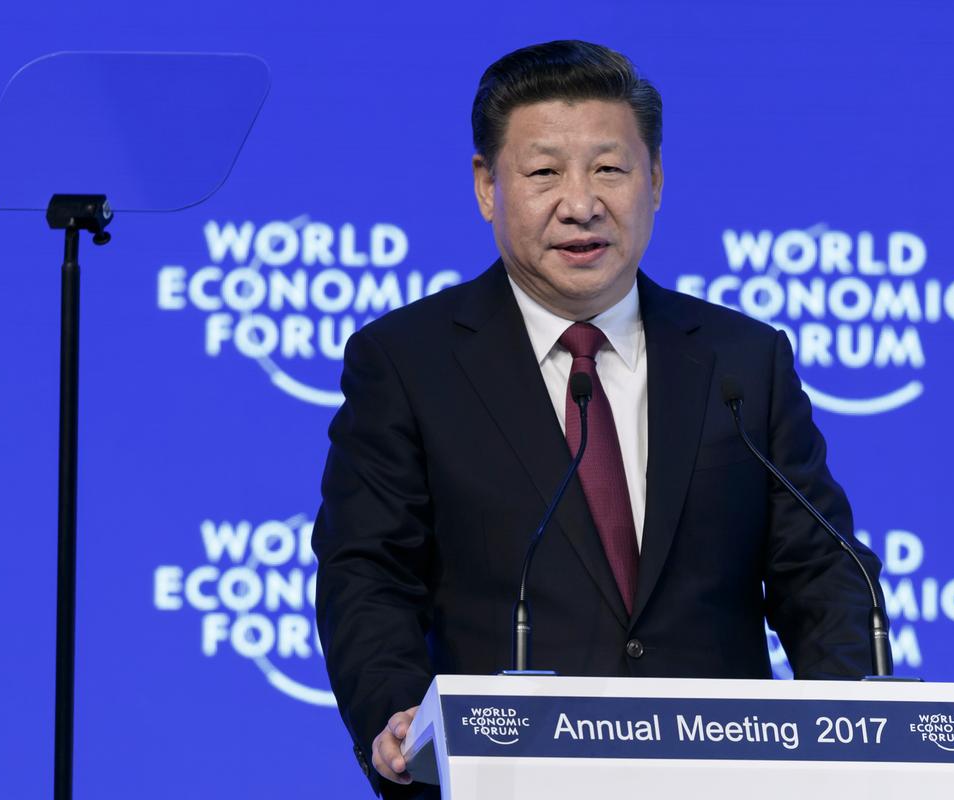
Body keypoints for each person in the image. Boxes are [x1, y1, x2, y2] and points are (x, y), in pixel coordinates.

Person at [312, 40, 883, 798]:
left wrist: (858, 738)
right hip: (504, 779)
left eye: (609, 168)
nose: (580, 203)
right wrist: (397, 710)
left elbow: (823, 575)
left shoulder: (743, 360)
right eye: (544, 171)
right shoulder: (409, 362)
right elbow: (368, 573)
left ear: (655, 181)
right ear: (487, 186)